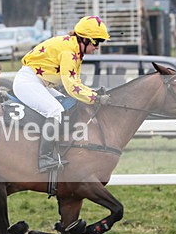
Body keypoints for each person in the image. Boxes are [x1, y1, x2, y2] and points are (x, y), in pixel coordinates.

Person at [12, 15, 111, 172]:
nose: (98, 47)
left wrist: (93, 93)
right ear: (85, 39)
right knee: (55, 110)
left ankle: (58, 148)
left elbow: (76, 83)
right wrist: (96, 98)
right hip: (28, 82)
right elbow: (72, 87)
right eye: (97, 42)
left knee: (66, 104)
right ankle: (44, 158)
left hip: (38, 81)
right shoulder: (69, 52)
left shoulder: (75, 49)